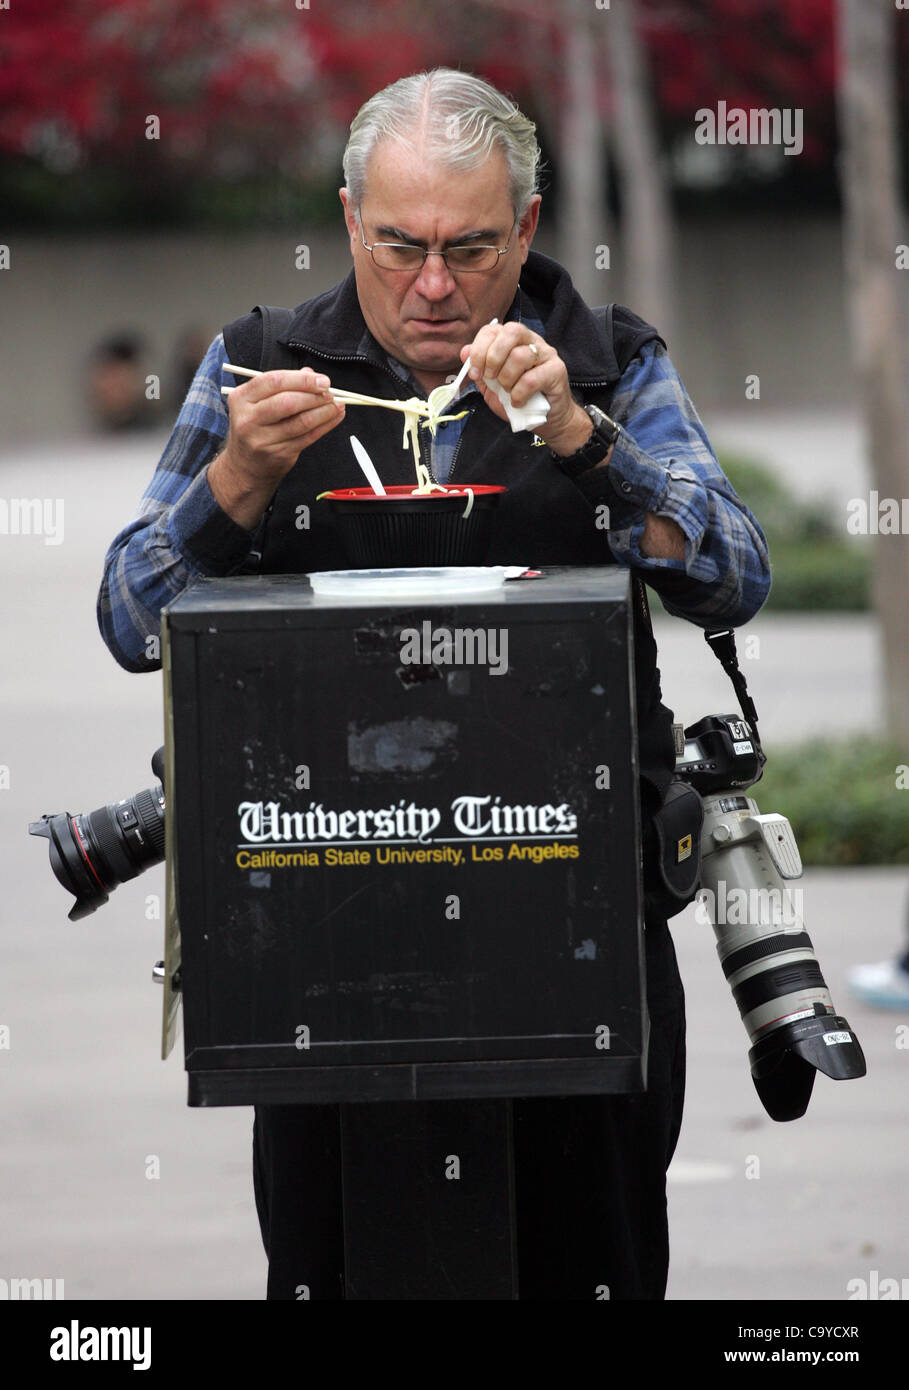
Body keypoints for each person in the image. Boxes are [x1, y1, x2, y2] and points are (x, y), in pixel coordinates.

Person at [97, 68, 770, 1299]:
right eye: (399, 245)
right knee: (335, 1265)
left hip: (579, 938)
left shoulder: (608, 366)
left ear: (526, 226)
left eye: (470, 247)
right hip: (322, 938)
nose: (433, 287)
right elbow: (130, 619)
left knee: (594, 1265)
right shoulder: (258, 368)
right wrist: (231, 488)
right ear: (349, 217)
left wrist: (587, 445)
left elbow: (733, 576)